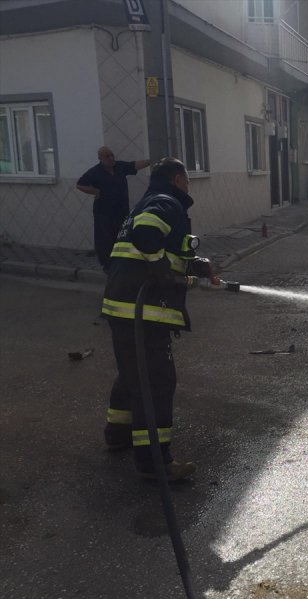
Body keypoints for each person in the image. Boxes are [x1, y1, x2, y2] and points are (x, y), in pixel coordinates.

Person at [101, 157, 211, 481]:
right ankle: (155, 462)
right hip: (144, 309)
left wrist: (198, 266)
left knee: (132, 373)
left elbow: (170, 250)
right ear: (178, 179)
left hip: (120, 306)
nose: (188, 187)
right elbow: (148, 236)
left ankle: (117, 433)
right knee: (157, 382)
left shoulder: (149, 202)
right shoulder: (166, 202)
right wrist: (162, 271)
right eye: (187, 181)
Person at [77, 147, 150, 271]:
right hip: (104, 213)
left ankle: (122, 261)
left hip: (121, 212)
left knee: (122, 237)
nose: (111, 158)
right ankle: (107, 264)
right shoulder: (95, 172)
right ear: (100, 158)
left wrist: (150, 161)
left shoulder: (119, 167)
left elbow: (134, 165)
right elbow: (80, 184)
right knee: (105, 240)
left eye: (112, 155)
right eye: (107, 156)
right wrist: (95, 191)